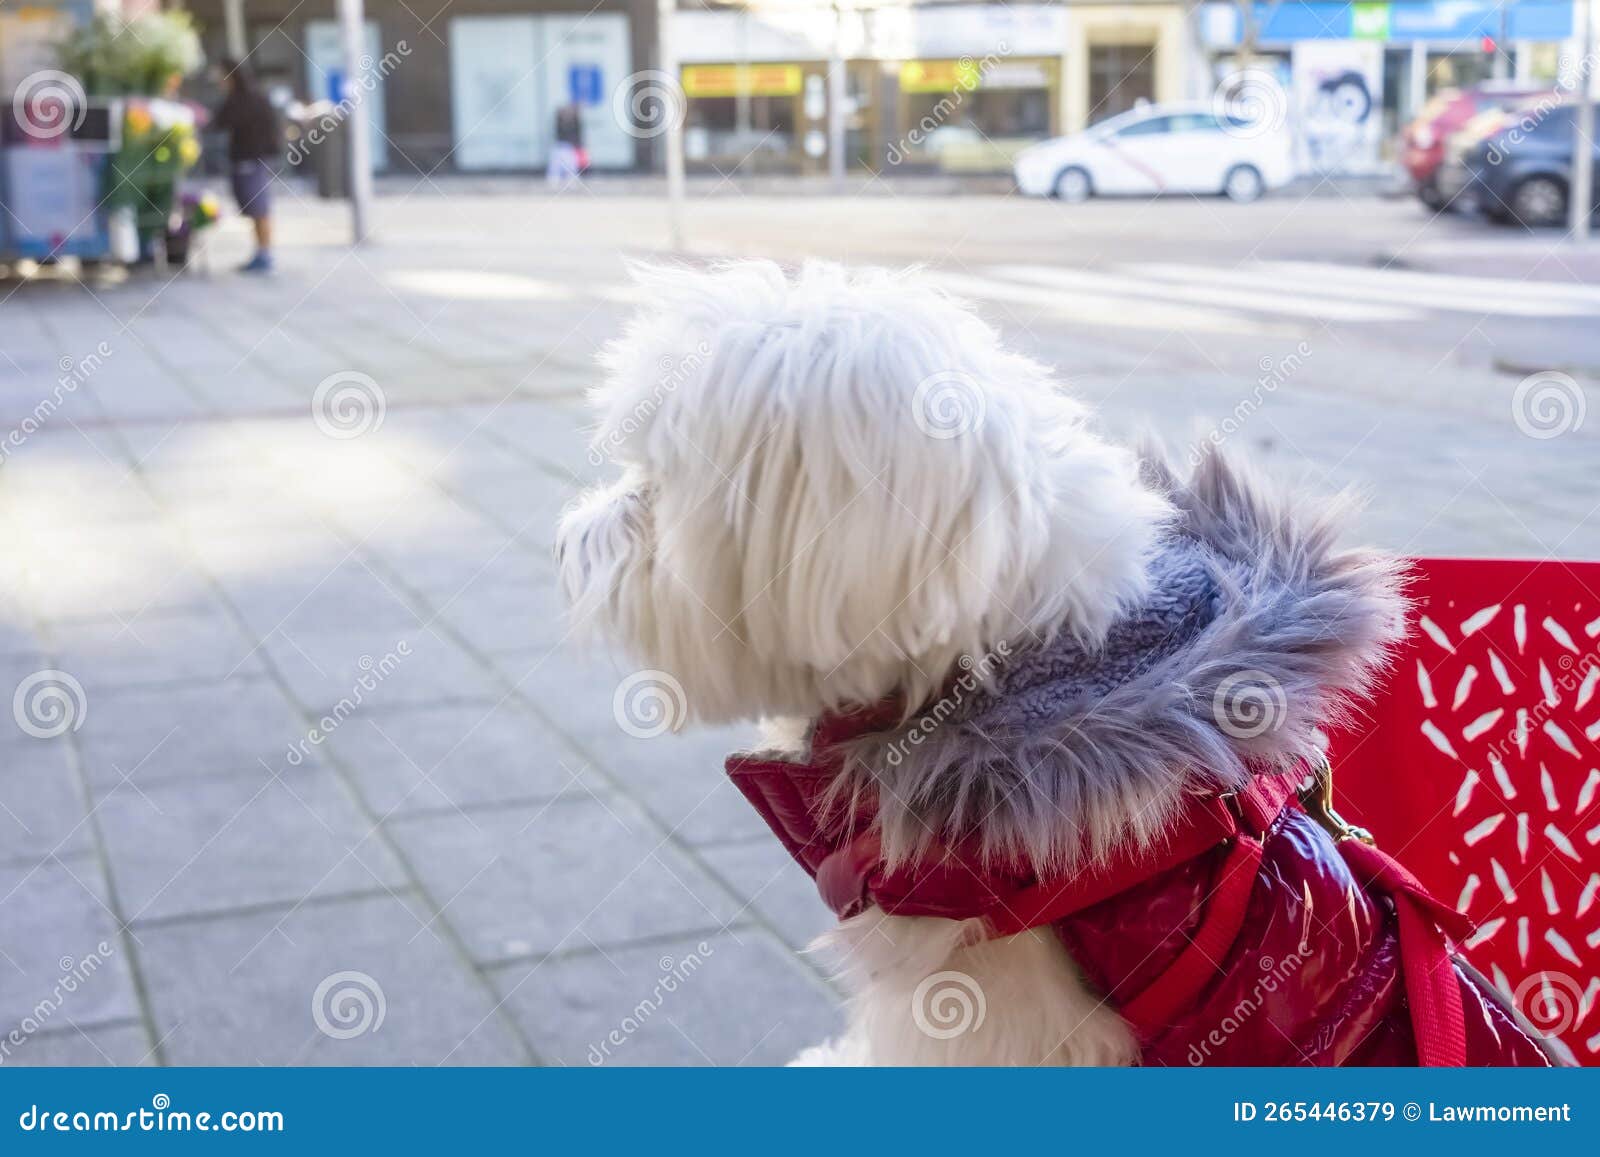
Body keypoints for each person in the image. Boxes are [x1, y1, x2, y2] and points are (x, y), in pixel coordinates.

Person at [212, 59, 281, 273]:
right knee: (255, 209)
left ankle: (265, 255)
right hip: (249, 160)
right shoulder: (247, 97)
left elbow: (220, 121)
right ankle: (262, 253)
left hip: (250, 160)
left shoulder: (246, 99)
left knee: (259, 208)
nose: (217, 81)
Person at [547, 100, 584, 189]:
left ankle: (571, 183)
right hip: (560, 146)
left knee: (571, 166)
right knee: (555, 166)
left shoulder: (575, 122)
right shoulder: (560, 121)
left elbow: (577, 132)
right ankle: (554, 182)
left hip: (570, 147)